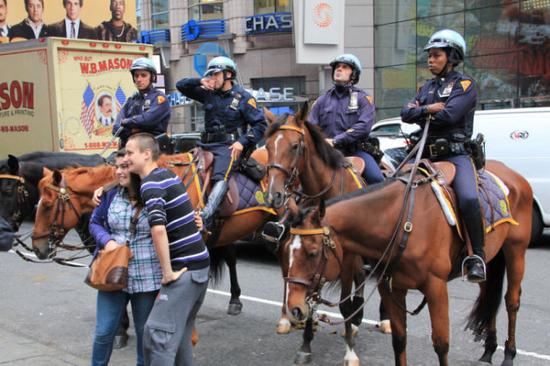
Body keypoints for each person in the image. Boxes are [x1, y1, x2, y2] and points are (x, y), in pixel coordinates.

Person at [400, 29, 485, 283]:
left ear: (452, 56)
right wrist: (429, 108)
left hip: (456, 155)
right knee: (391, 186)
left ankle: (476, 257)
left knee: (469, 199)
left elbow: (449, 115)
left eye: (436, 55)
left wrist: (421, 111)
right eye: (430, 55)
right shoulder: (426, 88)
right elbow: (405, 113)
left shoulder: (465, 85)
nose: (430, 60)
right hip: (424, 154)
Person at [125, 133, 209, 366]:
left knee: (157, 334)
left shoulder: (151, 183)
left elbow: (158, 229)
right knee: (180, 336)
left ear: (146, 154)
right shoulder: (166, 176)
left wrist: (167, 273)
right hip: (199, 266)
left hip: (185, 269)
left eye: (130, 153)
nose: (126, 158)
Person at [176, 56, 267, 231]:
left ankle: (206, 216)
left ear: (228, 75)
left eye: (215, 74)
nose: (212, 78)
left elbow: (260, 125)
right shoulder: (208, 93)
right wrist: (201, 80)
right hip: (205, 145)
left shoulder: (244, 98)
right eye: (210, 74)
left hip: (229, 146)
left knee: (220, 176)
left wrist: (242, 142)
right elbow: (181, 85)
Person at [89, 149, 161, 366]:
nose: (118, 171)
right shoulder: (109, 194)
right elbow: (94, 222)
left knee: (143, 335)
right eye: (117, 167)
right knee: (103, 332)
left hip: (147, 277)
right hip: (112, 272)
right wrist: (106, 240)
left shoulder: (153, 193)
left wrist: (198, 221)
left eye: (124, 167)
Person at [309, 54, 384, 185]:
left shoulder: (363, 99)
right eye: (337, 67)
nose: (339, 69)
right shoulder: (321, 101)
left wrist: (336, 140)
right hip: (327, 153)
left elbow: (364, 127)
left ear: (353, 75)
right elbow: (311, 127)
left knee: (377, 179)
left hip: (356, 152)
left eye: (344, 67)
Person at [112, 57, 170, 148]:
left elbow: (147, 120)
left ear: (152, 77)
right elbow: (116, 128)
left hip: (151, 151)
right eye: (136, 75)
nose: (139, 79)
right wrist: (134, 129)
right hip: (128, 150)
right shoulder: (131, 100)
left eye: (143, 75)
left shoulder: (159, 98)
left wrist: (127, 122)